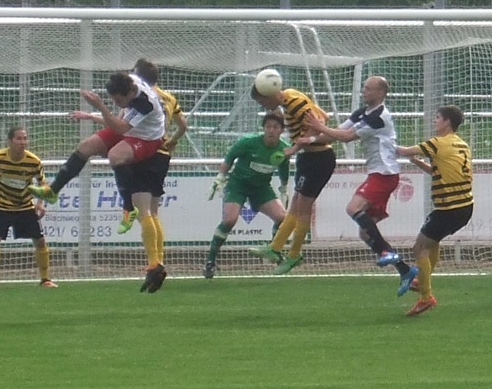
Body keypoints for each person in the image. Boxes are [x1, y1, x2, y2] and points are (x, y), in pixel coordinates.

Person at [28, 72, 167, 288]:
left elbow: (120, 127)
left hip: (147, 140)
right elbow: (120, 121)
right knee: (85, 147)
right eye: (113, 100)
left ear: (131, 92)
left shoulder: (144, 102)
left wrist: (99, 106)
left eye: (119, 100)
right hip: (132, 134)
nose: (116, 103)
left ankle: (129, 212)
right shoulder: (131, 81)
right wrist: (95, 114)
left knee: (117, 158)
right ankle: (53, 190)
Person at [301, 75, 417, 295]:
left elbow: (346, 137)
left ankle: (386, 253)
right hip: (380, 174)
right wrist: (311, 140)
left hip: (384, 173)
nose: (364, 91)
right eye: (364, 87)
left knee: (353, 208)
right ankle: (405, 270)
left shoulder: (379, 117)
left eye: (368, 88)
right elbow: (336, 133)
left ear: (380, 93)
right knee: (365, 234)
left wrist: (319, 126)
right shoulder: (362, 113)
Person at [247, 76, 336, 275]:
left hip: (319, 158)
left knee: (303, 209)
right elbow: (323, 115)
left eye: (263, 101)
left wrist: (294, 147)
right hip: (309, 157)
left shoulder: (293, 101)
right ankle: (275, 247)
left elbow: (321, 122)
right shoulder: (290, 99)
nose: (264, 107)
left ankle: (294, 254)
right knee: (295, 206)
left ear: (269, 95)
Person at [394, 105, 474, 317]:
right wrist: (417, 162)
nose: (434, 121)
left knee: (419, 247)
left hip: (450, 207)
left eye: (437, 117)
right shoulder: (461, 144)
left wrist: (381, 141)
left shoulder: (439, 143)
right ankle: (423, 281)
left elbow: (403, 151)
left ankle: (425, 296)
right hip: (464, 206)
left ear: (447, 122)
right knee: (432, 242)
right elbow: (438, 171)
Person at [0, 127, 56, 290]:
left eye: (25, 138)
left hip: (24, 206)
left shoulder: (33, 161)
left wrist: (40, 203)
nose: (23, 142)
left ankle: (45, 279)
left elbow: (42, 183)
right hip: (1, 205)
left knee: (40, 241)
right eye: (19, 138)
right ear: (10, 141)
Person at [204, 112, 291, 278]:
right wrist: (220, 178)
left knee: (282, 218)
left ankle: (275, 252)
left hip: (261, 188)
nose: (271, 130)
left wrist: (284, 189)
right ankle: (210, 261)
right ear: (263, 128)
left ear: (281, 130)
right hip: (238, 185)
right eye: (268, 126)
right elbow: (230, 157)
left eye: (275, 127)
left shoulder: (284, 148)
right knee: (229, 220)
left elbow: (283, 168)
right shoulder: (249, 142)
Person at [128, 59, 189, 293]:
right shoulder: (169, 98)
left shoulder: (140, 96)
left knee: (142, 212)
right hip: (163, 154)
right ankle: (159, 260)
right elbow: (183, 125)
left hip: (144, 151)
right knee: (153, 211)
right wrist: (172, 141)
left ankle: (154, 263)